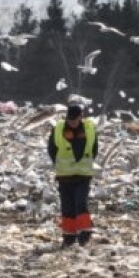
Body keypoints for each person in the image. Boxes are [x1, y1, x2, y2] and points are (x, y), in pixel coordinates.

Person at [47, 103, 99, 248]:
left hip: (83, 175)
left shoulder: (89, 129)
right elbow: (51, 148)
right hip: (65, 176)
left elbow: (94, 149)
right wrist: (57, 164)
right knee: (67, 207)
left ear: (80, 117)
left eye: (75, 120)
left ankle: (85, 232)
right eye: (70, 120)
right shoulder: (58, 129)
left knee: (80, 203)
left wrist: (86, 163)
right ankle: (69, 237)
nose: (72, 123)